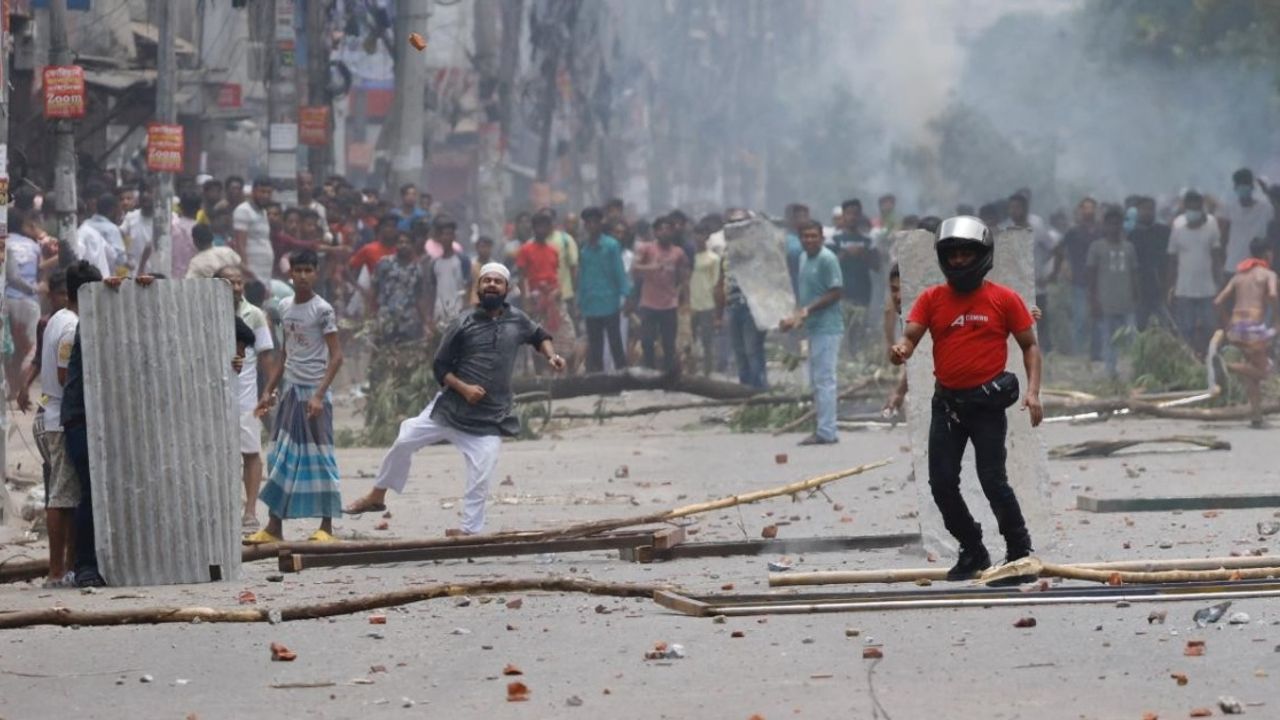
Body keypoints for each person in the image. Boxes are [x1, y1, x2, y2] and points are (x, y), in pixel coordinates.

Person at [342, 263, 566, 533]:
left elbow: (539, 335)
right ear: (479, 288)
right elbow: (440, 367)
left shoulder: (518, 320)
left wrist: (551, 355)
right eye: (487, 281)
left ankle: (469, 531)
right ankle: (377, 496)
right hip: (450, 409)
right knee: (404, 439)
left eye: (498, 281)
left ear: (507, 289)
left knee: (482, 470)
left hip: (490, 416)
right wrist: (465, 389)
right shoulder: (463, 322)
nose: (492, 285)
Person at [891, 216, 1042, 582]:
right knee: (941, 484)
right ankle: (972, 548)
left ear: (982, 255)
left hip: (987, 407)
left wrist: (1034, 392)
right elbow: (911, 335)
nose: (958, 261)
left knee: (994, 481)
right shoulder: (931, 299)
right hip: (947, 407)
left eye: (965, 253)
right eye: (952, 254)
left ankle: (1019, 551)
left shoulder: (1004, 299)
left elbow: (1030, 346)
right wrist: (902, 349)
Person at [246, 250, 344, 544]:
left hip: (314, 396)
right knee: (281, 457)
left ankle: (326, 527)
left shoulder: (322, 310)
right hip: (290, 392)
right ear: (291, 273)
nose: (302, 276)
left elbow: (337, 357)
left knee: (320, 458)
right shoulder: (284, 307)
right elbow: (285, 354)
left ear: (316, 273)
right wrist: (268, 390)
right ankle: (274, 527)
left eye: (308, 270)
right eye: (298, 270)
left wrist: (319, 394)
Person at [61, 263, 113, 587]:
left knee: (95, 492)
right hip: (80, 418)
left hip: (83, 416)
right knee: (92, 492)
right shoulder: (82, 326)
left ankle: (92, 564)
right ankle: (84, 567)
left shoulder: (87, 322)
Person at [215, 266, 277, 529]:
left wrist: (269, 391)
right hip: (215, 397)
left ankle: (250, 510)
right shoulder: (207, 314)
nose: (237, 288)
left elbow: (265, 356)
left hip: (246, 397)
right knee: (220, 455)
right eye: (231, 283)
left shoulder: (255, 315)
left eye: (240, 283)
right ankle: (227, 509)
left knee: (251, 453)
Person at [780, 220, 843, 445]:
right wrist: (796, 317)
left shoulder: (827, 259)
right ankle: (824, 426)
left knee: (825, 380)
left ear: (822, 237)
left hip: (828, 327)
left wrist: (806, 311)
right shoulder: (803, 258)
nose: (809, 240)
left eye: (813, 236)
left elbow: (835, 292)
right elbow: (806, 294)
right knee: (817, 380)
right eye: (805, 236)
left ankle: (827, 431)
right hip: (813, 327)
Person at [31, 270, 76, 586]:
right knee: (60, 496)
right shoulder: (71, 326)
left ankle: (65, 567)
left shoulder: (56, 319)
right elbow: (64, 377)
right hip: (59, 420)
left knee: (63, 495)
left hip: (49, 414)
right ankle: (57, 571)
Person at [1214, 237, 1278, 428]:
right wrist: (1277, 317)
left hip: (1237, 328)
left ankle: (1256, 415)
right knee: (1263, 371)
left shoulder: (1238, 276)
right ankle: (1227, 366)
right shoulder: (1268, 274)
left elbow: (1218, 302)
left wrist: (1227, 325)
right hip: (1253, 329)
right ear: (1267, 253)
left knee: (1251, 374)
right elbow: (1273, 295)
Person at [1168, 190, 1223, 356]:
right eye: (1190, 207)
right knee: (1186, 329)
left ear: (1202, 207)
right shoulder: (1178, 225)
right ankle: (1189, 360)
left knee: (1210, 328)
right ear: (1185, 208)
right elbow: (1172, 257)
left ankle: (1211, 359)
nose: (1193, 211)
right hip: (1184, 289)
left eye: (1197, 207)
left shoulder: (1212, 224)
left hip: (1207, 289)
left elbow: (1216, 255)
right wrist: (1170, 285)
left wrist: (1218, 282)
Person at [576, 206, 631, 372]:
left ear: (600, 224)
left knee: (615, 342)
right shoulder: (584, 250)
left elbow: (619, 272)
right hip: (591, 304)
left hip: (609, 302)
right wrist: (580, 302)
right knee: (595, 345)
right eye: (588, 223)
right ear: (585, 225)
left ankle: (623, 377)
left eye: (595, 222)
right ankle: (599, 380)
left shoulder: (611, 246)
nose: (591, 226)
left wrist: (627, 296)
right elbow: (583, 278)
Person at [1000, 191, 1056, 353]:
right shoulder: (1005, 228)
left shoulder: (1037, 225)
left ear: (1025, 208)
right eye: (1011, 208)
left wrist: (1049, 273)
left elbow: (1053, 249)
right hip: (1014, 287)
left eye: (1018, 207)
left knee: (1040, 323)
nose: (1014, 211)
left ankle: (1046, 355)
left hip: (1036, 286)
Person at [1087, 207, 1139, 377]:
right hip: (1106, 300)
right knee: (1108, 339)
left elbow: (1134, 273)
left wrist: (1135, 294)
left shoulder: (1129, 248)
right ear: (1105, 226)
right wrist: (1093, 300)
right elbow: (1092, 275)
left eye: (1117, 224)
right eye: (1110, 224)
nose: (1114, 228)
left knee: (1131, 338)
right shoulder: (1097, 247)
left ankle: (1133, 369)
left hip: (1126, 301)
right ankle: (1111, 371)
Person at [1053, 197, 1101, 357]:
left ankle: (1096, 352)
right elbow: (1059, 249)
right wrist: (1063, 267)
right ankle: (1079, 353)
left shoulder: (1101, 231)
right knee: (1080, 318)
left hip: (1099, 281)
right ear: (1080, 211)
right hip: (1079, 280)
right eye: (1085, 208)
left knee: (1097, 317)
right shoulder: (1073, 232)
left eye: (1091, 208)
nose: (1089, 211)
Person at [6, 210, 42, 397]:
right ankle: (23, 387)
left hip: (7, 300)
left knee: (9, 347)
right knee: (31, 347)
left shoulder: (4, 244)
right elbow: (38, 272)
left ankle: (12, 389)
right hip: (29, 300)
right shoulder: (33, 246)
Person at [373, 231, 432, 345]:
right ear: (396, 244)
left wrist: (426, 322)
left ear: (412, 245)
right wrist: (370, 314)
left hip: (409, 320)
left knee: (408, 355)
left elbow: (419, 297)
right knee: (382, 353)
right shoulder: (384, 263)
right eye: (400, 242)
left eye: (407, 242)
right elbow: (374, 290)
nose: (404, 245)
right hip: (386, 317)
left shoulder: (417, 269)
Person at [1219, 168, 1275, 281]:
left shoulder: (1266, 209)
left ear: (1252, 186)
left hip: (1258, 268)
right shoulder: (1229, 209)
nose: (1243, 187)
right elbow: (1223, 238)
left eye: (1246, 183)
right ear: (1235, 187)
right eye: (1240, 184)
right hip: (1233, 267)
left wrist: (1267, 191)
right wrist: (1223, 262)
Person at [1130, 196, 1172, 330]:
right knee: (1140, 325)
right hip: (1141, 288)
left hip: (1162, 285)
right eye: (1144, 209)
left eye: (1150, 209)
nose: (1147, 212)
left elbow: (1171, 258)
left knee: (1166, 323)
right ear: (1138, 211)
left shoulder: (1164, 232)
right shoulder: (1133, 235)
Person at [689, 220, 721, 376]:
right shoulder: (688, 256)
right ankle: (691, 370)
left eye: (701, 234)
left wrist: (717, 307)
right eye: (696, 234)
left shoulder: (713, 258)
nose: (698, 238)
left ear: (707, 236)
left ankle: (708, 372)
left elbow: (716, 283)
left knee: (707, 340)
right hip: (690, 303)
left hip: (707, 303)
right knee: (689, 340)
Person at [429, 216, 472, 323]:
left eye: (449, 234)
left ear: (454, 236)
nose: (446, 237)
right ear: (438, 238)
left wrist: (466, 305)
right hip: (440, 312)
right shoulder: (435, 263)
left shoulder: (462, 259)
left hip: (459, 310)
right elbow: (434, 289)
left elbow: (468, 283)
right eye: (443, 234)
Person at [234, 178, 276, 285]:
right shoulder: (243, 210)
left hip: (265, 272)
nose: (266, 195)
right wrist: (246, 270)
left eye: (269, 192)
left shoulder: (263, 212)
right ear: (253, 191)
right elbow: (240, 244)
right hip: (251, 272)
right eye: (262, 192)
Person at [86, 193, 128, 275]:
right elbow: (121, 259)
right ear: (113, 210)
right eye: (119, 210)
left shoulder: (86, 225)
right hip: (105, 277)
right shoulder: (112, 229)